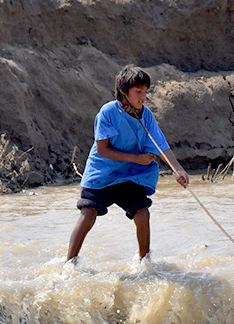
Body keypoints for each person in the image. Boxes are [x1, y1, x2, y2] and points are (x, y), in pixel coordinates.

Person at [66, 65, 189, 262]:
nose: (143, 97)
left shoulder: (146, 115)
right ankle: (69, 264)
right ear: (124, 92)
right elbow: (103, 150)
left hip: (130, 174)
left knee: (142, 214)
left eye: (145, 92)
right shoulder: (108, 112)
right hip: (102, 173)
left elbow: (161, 145)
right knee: (88, 213)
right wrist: (137, 159)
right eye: (138, 92)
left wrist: (178, 170)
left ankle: (145, 263)